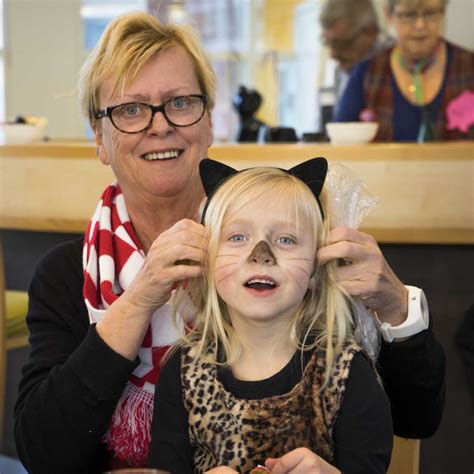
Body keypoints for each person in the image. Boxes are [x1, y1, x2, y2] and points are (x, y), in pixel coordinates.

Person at [14, 11, 444, 474]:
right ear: (100, 138)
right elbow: (43, 452)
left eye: (180, 102)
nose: (160, 126)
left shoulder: (294, 247)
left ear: (208, 123)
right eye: (130, 109)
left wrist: (398, 308)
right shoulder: (70, 275)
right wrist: (139, 299)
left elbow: (415, 419)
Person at [148, 158, 394, 474]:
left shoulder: (345, 373)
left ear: (316, 268)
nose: (261, 254)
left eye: (286, 239)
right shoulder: (184, 371)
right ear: (208, 262)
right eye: (237, 237)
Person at [334, 0, 474, 141]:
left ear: (443, 13)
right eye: (409, 15)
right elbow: (340, 144)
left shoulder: (469, 67)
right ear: (389, 15)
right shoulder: (367, 73)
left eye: (430, 13)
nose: (420, 25)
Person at [320, 0, 392, 108]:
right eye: (328, 42)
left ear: (370, 31)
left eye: (342, 44)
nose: (333, 54)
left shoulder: (397, 63)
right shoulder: (342, 71)